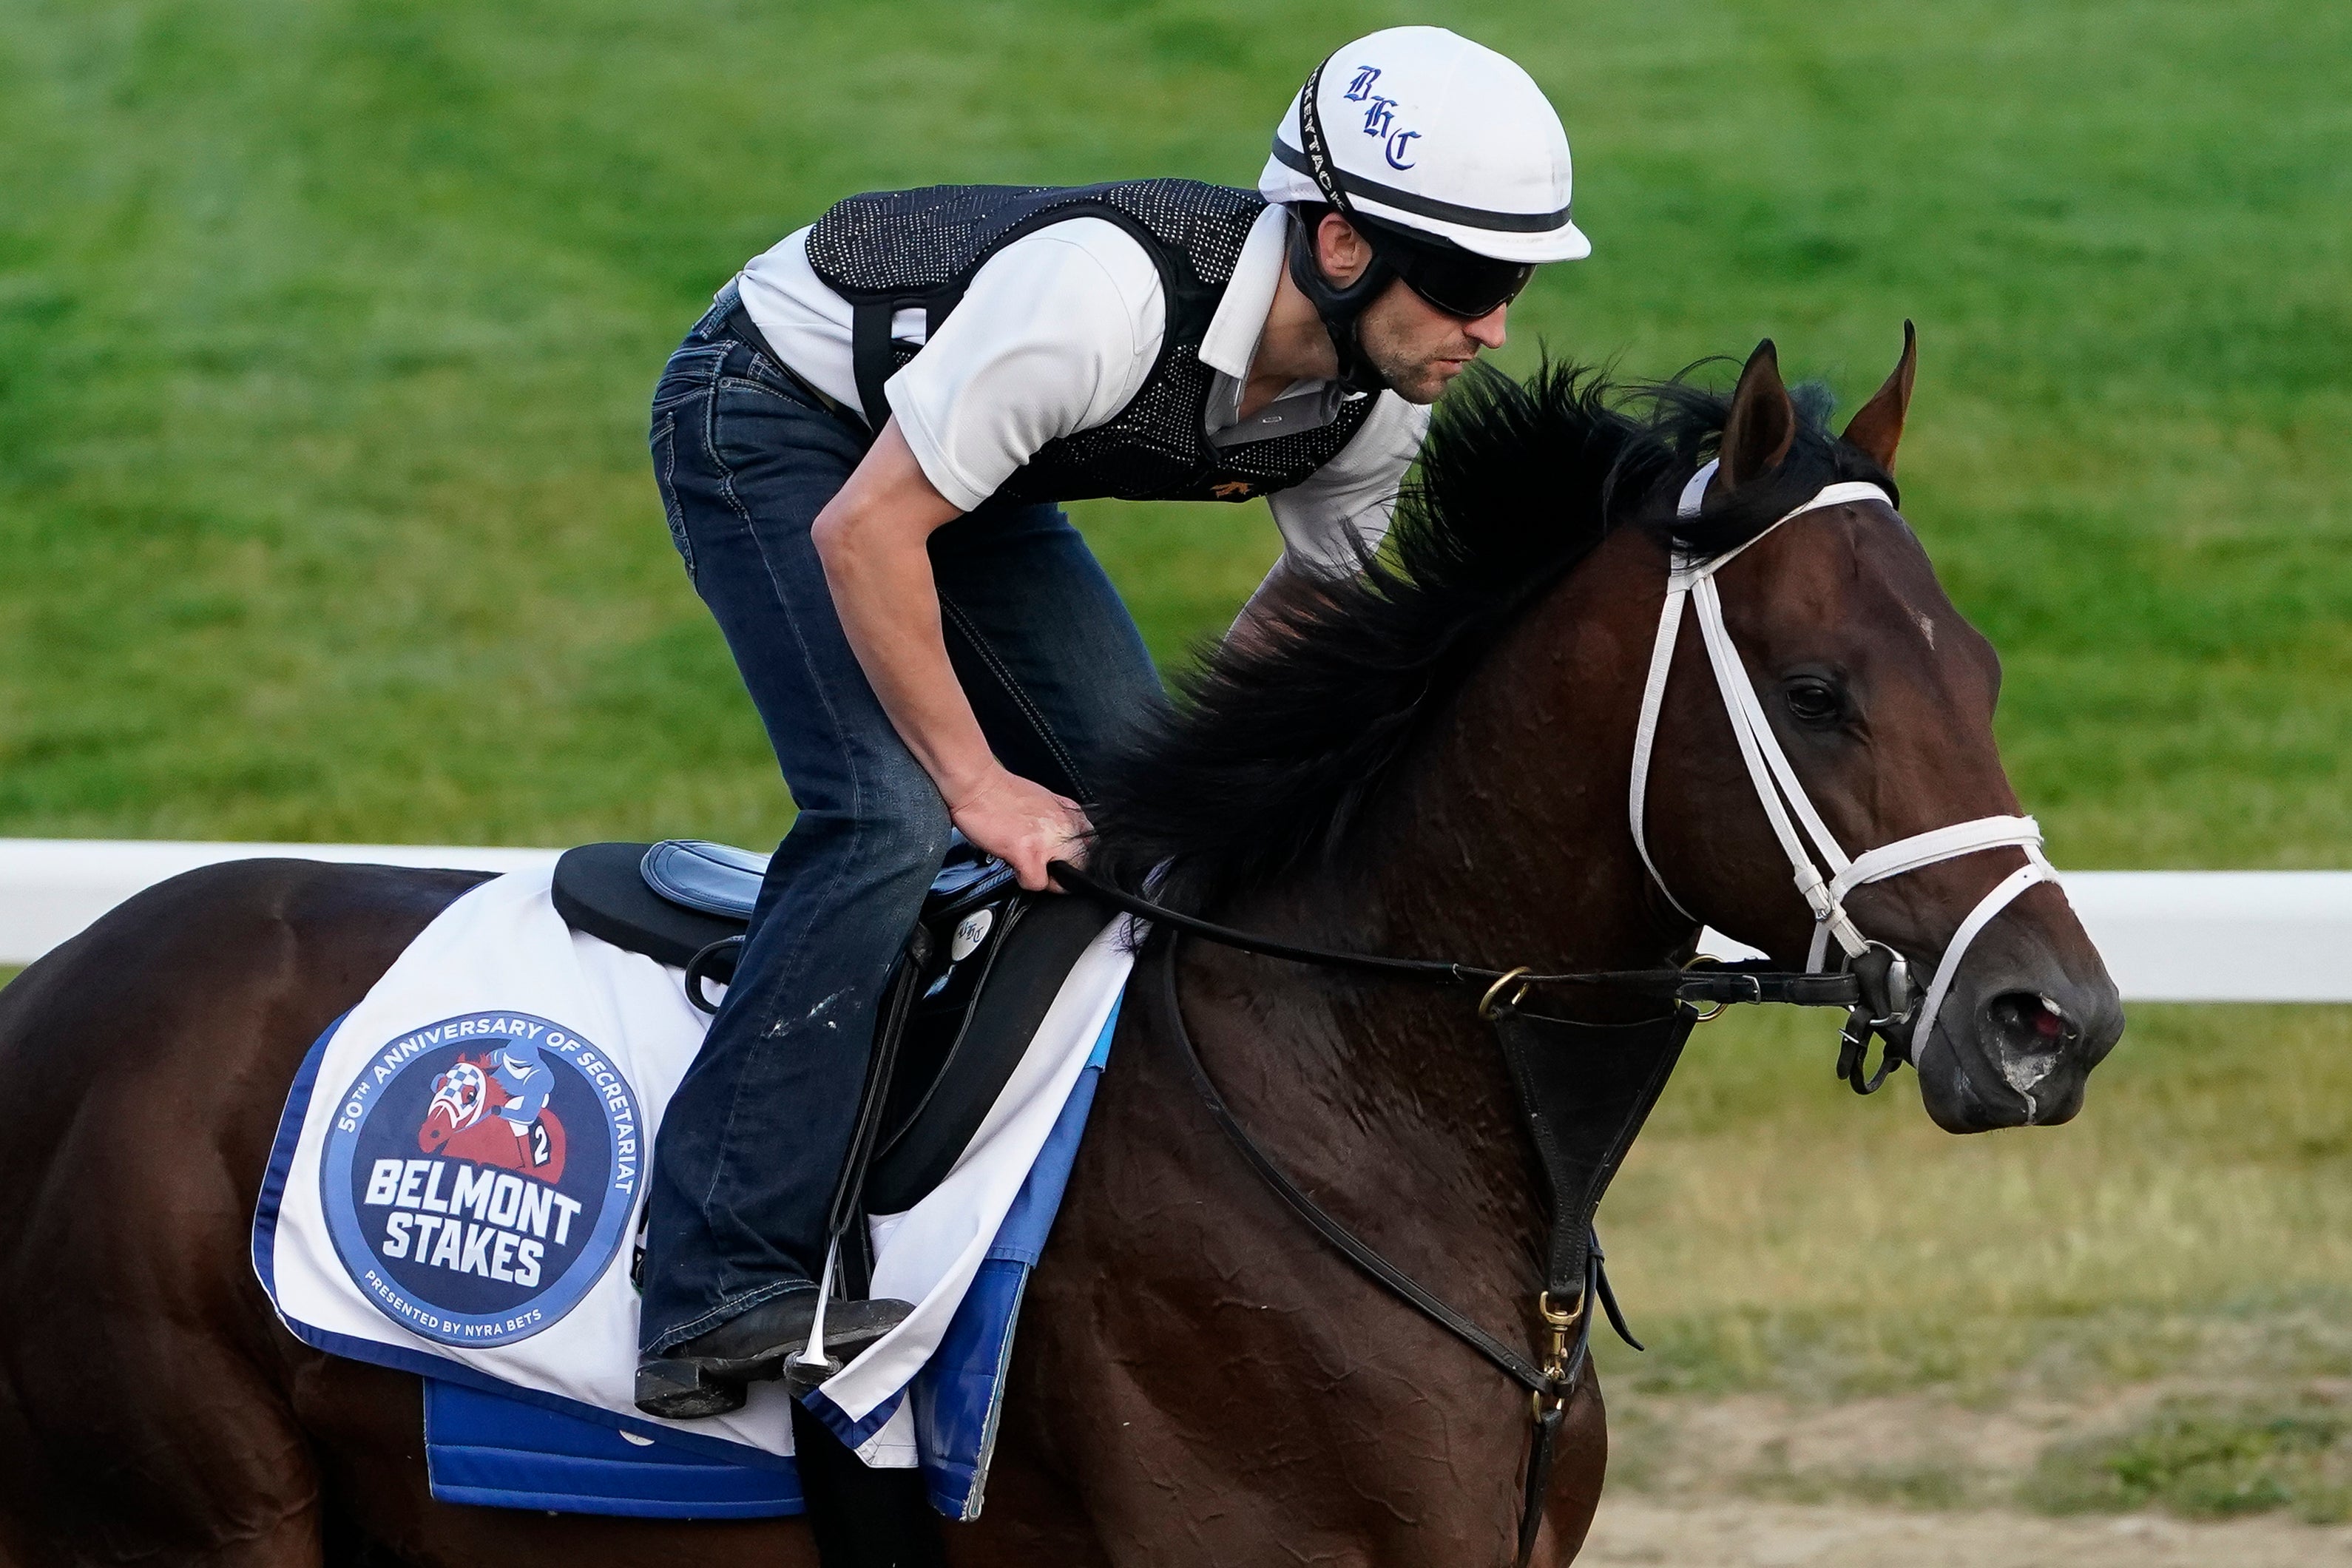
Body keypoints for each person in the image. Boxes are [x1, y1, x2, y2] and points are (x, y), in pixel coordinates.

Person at [634, 25, 1594, 1419]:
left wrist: (1225, 779)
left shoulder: (1376, 403)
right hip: (780, 423)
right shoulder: (1099, 304)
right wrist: (978, 786)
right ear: (1337, 245)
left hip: (966, 479)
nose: (1495, 326)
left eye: (1513, 284)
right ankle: (717, 1282)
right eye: (1468, 282)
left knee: (1150, 828)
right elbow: (866, 532)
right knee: (886, 816)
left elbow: (1316, 610)